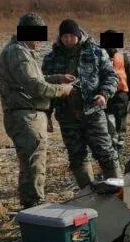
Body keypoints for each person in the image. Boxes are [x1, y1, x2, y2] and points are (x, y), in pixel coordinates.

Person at [0, 13, 75, 208]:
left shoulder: (20, 51)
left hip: (26, 114)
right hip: (25, 115)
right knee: (34, 164)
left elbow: (34, 80)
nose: (42, 41)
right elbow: (33, 85)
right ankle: (34, 205)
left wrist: (56, 78)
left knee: (31, 163)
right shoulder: (18, 52)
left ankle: (31, 203)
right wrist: (61, 91)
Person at [42, 19, 121, 187]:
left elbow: (111, 76)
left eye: (72, 36)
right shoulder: (51, 58)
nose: (68, 40)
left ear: (78, 35)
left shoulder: (96, 52)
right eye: (65, 36)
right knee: (77, 156)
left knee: (106, 153)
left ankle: (118, 192)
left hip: (93, 112)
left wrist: (104, 94)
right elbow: (45, 88)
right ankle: (88, 193)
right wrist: (47, 116)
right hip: (67, 116)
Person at [102, 29, 130, 163]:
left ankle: (118, 160)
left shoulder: (123, 58)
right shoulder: (98, 57)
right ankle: (111, 160)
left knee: (120, 133)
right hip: (103, 99)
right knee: (107, 132)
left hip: (120, 98)